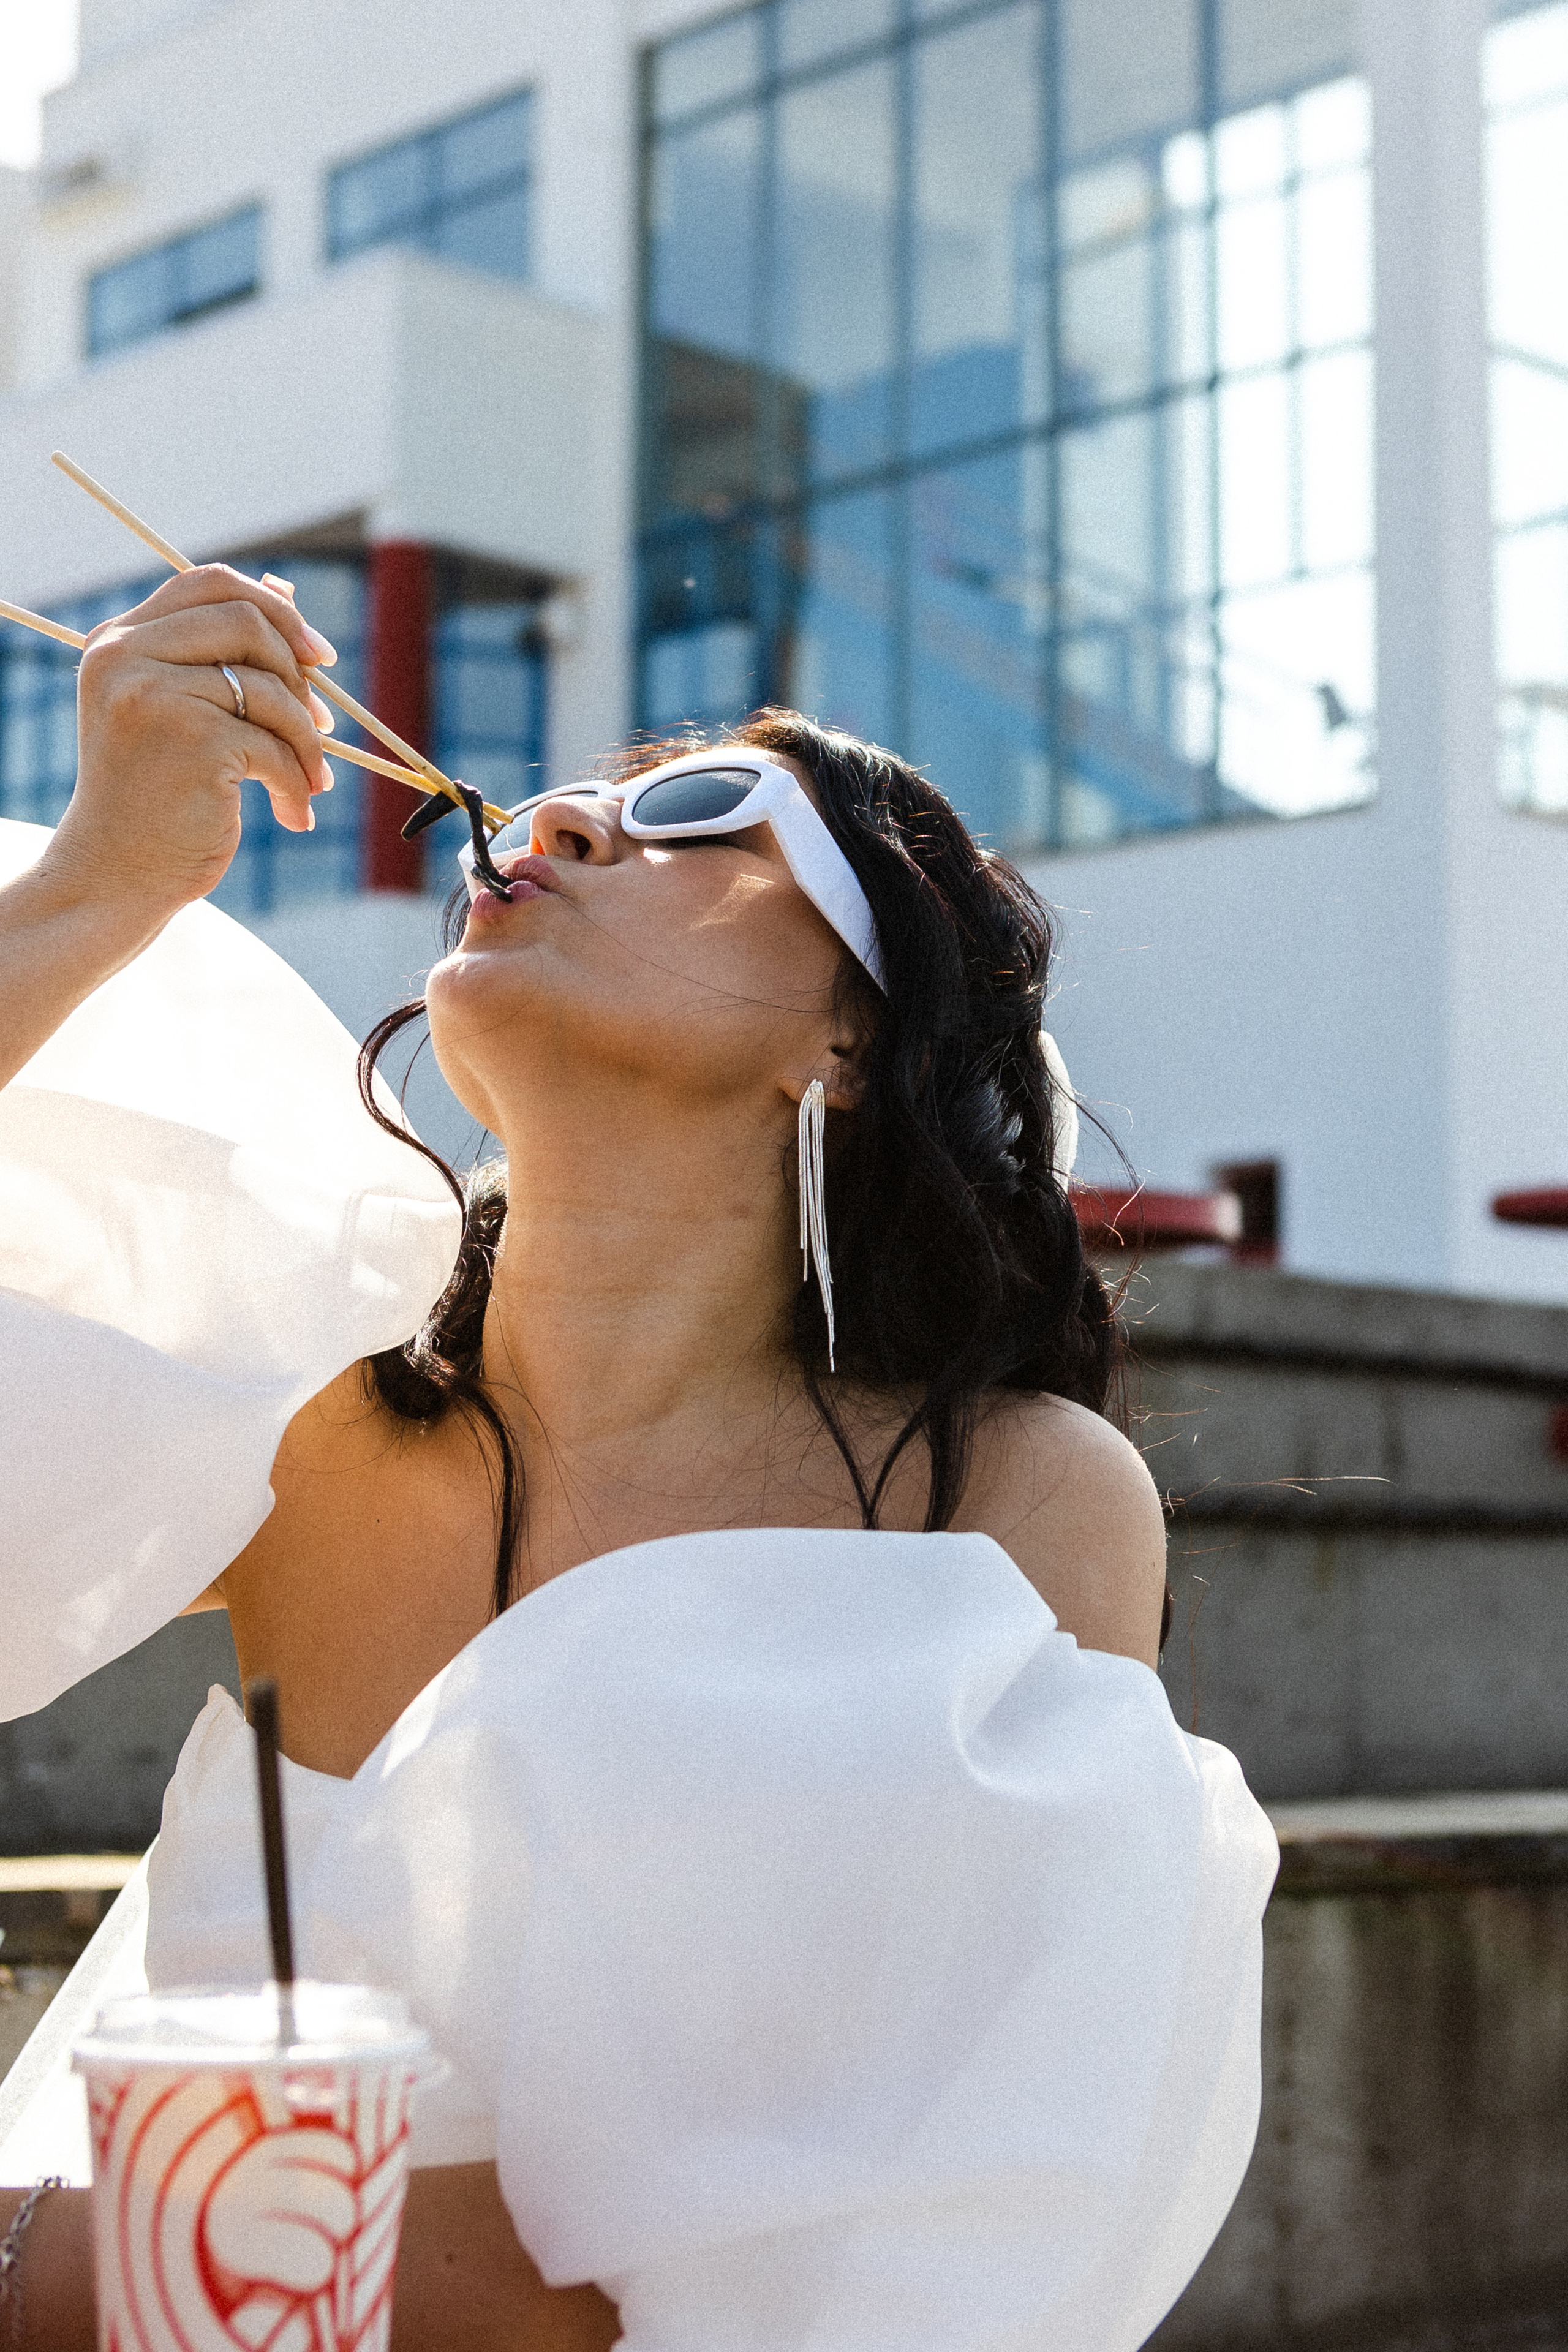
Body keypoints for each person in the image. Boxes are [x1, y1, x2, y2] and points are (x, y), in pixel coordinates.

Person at [0, 565, 1276, 2352]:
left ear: (855, 1041)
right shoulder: (305, 1418)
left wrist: (23, 2260)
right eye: (562, 799)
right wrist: (91, 888)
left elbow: (853, 2236)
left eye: (702, 815)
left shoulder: (1001, 1502)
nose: (572, 820)